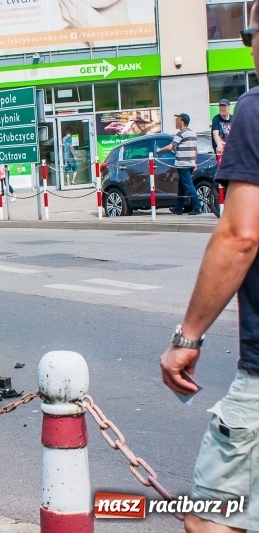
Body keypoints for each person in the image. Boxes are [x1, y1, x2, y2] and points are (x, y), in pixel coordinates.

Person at [159, 3, 259, 531]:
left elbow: (240, 235)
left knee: (208, 518)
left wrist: (188, 337)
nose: (247, 43)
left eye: (250, 31)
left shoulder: (256, 109)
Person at [156, 113, 202, 216]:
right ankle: (178, 207)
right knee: (182, 187)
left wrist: (159, 150)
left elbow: (170, 147)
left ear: (182, 122)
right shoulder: (193, 134)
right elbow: (195, 150)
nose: (175, 122)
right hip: (190, 164)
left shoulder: (181, 133)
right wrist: (194, 162)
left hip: (182, 164)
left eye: (177, 120)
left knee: (189, 185)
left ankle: (197, 207)